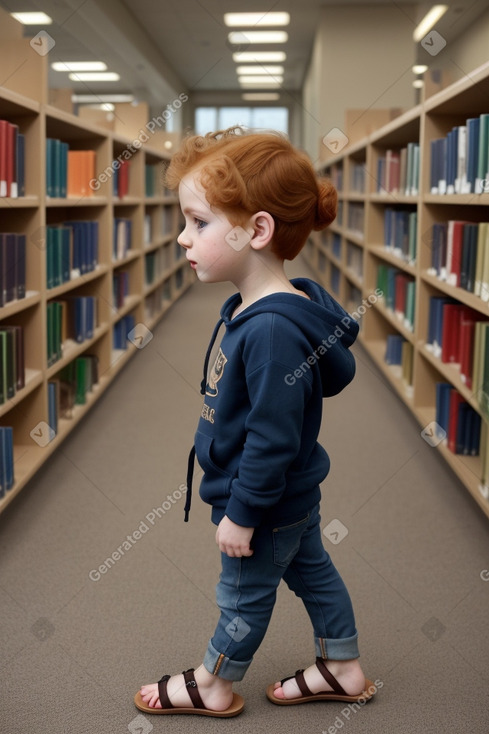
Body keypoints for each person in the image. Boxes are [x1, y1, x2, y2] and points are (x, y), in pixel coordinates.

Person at [134, 127, 376, 717]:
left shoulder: (270, 331)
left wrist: (242, 514)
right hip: (291, 494)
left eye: (198, 223)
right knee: (313, 572)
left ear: (258, 230)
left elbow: (272, 437)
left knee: (242, 596)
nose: (181, 238)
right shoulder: (268, 306)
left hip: (263, 501)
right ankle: (342, 666)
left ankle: (213, 684)